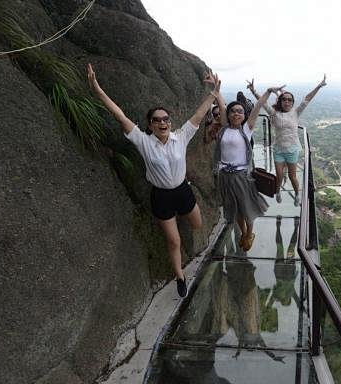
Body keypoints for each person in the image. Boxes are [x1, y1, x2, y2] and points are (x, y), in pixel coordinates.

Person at [87, 63, 221, 297]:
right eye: (157, 120)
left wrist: (214, 93)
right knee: (173, 242)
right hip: (161, 196)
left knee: (197, 224)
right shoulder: (143, 141)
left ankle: (182, 220)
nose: (163, 122)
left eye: (166, 119)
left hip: (183, 190)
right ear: (150, 125)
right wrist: (97, 89)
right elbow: (119, 115)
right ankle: (180, 276)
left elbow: (199, 115)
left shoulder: (181, 137)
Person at [212, 86, 284, 251]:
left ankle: (250, 233)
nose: (236, 113)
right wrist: (216, 92)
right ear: (228, 115)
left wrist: (268, 92)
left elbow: (258, 106)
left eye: (240, 111)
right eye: (233, 111)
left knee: (247, 207)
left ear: (244, 115)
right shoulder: (224, 128)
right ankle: (243, 231)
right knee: (235, 208)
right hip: (225, 176)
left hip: (242, 176)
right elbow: (222, 106)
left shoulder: (246, 129)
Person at [247, 75, 327, 206]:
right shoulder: (274, 113)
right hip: (278, 149)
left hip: (292, 149)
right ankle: (277, 191)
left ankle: (297, 194)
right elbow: (262, 103)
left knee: (292, 176)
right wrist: (253, 90)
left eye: (290, 100)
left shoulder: (295, 112)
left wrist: (319, 86)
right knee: (279, 175)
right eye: (284, 99)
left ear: (292, 102)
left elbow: (307, 99)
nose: (287, 102)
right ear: (280, 101)